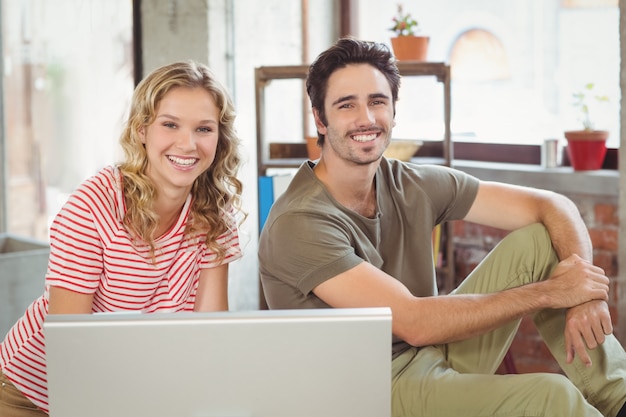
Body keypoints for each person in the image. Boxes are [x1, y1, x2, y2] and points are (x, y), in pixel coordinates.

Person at [258, 37, 626, 417]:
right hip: (365, 390)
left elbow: (552, 204)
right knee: (551, 396)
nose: (366, 118)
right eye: (346, 104)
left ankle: (619, 398)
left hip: (428, 356)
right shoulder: (298, 221)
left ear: (394, 111)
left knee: (540, 240)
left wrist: (585, 294)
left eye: (377, 101)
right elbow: (414, 322)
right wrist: (550, 293)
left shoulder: (411, 183)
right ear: (320, 119)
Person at [0, 60, 245, 416]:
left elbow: (208, 336)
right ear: (142, 129)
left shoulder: (214, 215)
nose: (188, 143)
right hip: (32, 394)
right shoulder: (95, 205)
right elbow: (72, 348)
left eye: (204, 129)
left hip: (134, 390)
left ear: (219, 138)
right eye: (170, 125)